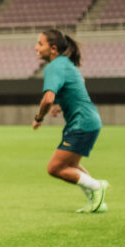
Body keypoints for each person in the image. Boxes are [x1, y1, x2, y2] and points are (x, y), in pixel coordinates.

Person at [32, 29, 109, 212]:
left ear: (52, 48)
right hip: (88, 121)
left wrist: (39, 118)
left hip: (82, 123)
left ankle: (97, 186)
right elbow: (79, 81)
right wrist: (61, 105)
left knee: (55, 168)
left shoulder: (54, 67)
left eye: (40, 44)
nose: (36, 47)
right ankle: (96, 203)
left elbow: (48, 98)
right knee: (72, 166)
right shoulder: (65, 63)